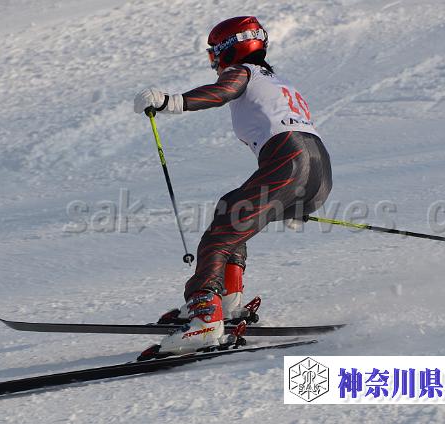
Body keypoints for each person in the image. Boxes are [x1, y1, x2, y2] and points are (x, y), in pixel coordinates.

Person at [134, 16, 332, 357]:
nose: (213, 61)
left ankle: (205, 318)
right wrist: (296, 201)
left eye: (214, 52)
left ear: (230, 48)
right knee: (230, 208)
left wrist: (169, 102)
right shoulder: (280, 82)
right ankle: (227, 301)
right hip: (319, 172)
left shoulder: (243, 71)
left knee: (219, 237)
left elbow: (222, 91)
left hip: (289, 161)